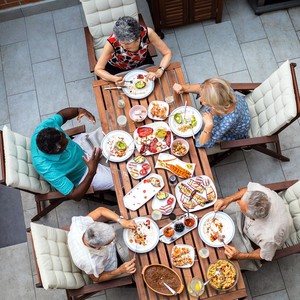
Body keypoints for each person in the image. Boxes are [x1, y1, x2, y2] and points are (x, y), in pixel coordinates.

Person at [31, 107, 114, 201]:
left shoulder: (46, 127)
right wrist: (92, 171)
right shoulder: (46, 167)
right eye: (64, 145)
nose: (68, 141)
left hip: (81, 147)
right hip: (84, 173)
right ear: (53, 152)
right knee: (119, 179)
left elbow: (63, 115)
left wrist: (79, 110)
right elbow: (75, 196)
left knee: (112, 135)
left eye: (65, 138)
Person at [214, 182, 292, 269]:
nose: (238, 202)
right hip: (252, 220)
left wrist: (239, 255)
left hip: (258, 241)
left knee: (224, 259)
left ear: (251, 218)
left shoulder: (270, 237)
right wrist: (227, 200)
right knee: (218, 214)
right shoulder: (260, 192)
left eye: (241, 206)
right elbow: (246, 190)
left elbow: (264, 254)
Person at [173, 78, 251, 148]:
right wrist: (184, 88)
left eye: (203, 100)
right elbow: (201, 88)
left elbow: (203, 143)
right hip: (241, 108)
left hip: (234, 131)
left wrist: (208, 126)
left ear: (213, 106)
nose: (199, 99)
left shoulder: (226, 121)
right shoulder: (221, 90)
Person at [94, 16, 172, 84]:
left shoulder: (148, 33)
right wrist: (114, 79)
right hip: (117, 69)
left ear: (138, 37)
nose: (124, 47)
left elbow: (167, 53)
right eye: (121, 43)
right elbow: (98, 69)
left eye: (127, 43)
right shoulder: (112, 41)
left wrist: (159, 71)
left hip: (142, 62)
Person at [68, 207, 136, 282]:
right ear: (98, 247)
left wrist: (121, 221)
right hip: (113, 259)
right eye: (110, 241)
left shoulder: (79, 225)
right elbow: (97, 279)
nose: (113, 240)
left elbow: (100, 210)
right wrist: (120, 270)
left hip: (107, 245)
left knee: (132, 219)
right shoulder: (91, 263)